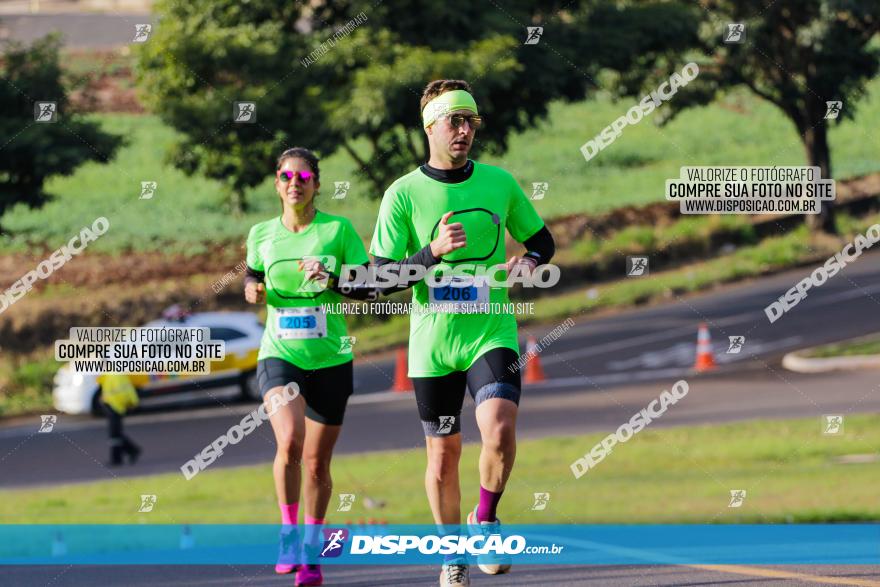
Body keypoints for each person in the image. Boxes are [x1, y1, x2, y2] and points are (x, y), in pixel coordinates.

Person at [369, 80, 555, 587]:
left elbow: (543, 240)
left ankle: (486, 518)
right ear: (430, 126)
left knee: (498, 428)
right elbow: (380, 280)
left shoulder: (499, 183)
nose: (464, 130)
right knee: (444, 453)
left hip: (490, 331)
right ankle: (452, 554)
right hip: (432, 345)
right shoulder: (403, 194)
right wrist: (431, 252)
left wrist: (531, 261)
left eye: (471, 120)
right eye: (454, 120)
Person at [245, 147, 373, 586]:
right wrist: (252, 290)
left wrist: (333, 279)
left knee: (317, 465)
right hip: (280, 354)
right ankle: (287, 529)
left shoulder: (337, 230)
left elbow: (366, 287)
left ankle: (311, 552)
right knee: (291, 441)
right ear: (277, 183)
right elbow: (252, 274)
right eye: (286, 176)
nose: (294, 183)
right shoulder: (261, 233)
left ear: (316, 183)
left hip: (332, 359)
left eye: (303, 176)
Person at [98, 373, 141, 466]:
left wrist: (129, 403)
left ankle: (117, 459)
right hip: (113, 406)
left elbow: (124, 392)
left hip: (116, 407)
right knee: (115, 434)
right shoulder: (111, 375)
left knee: (114, 435)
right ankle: (131, 451)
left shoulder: (115, 375)